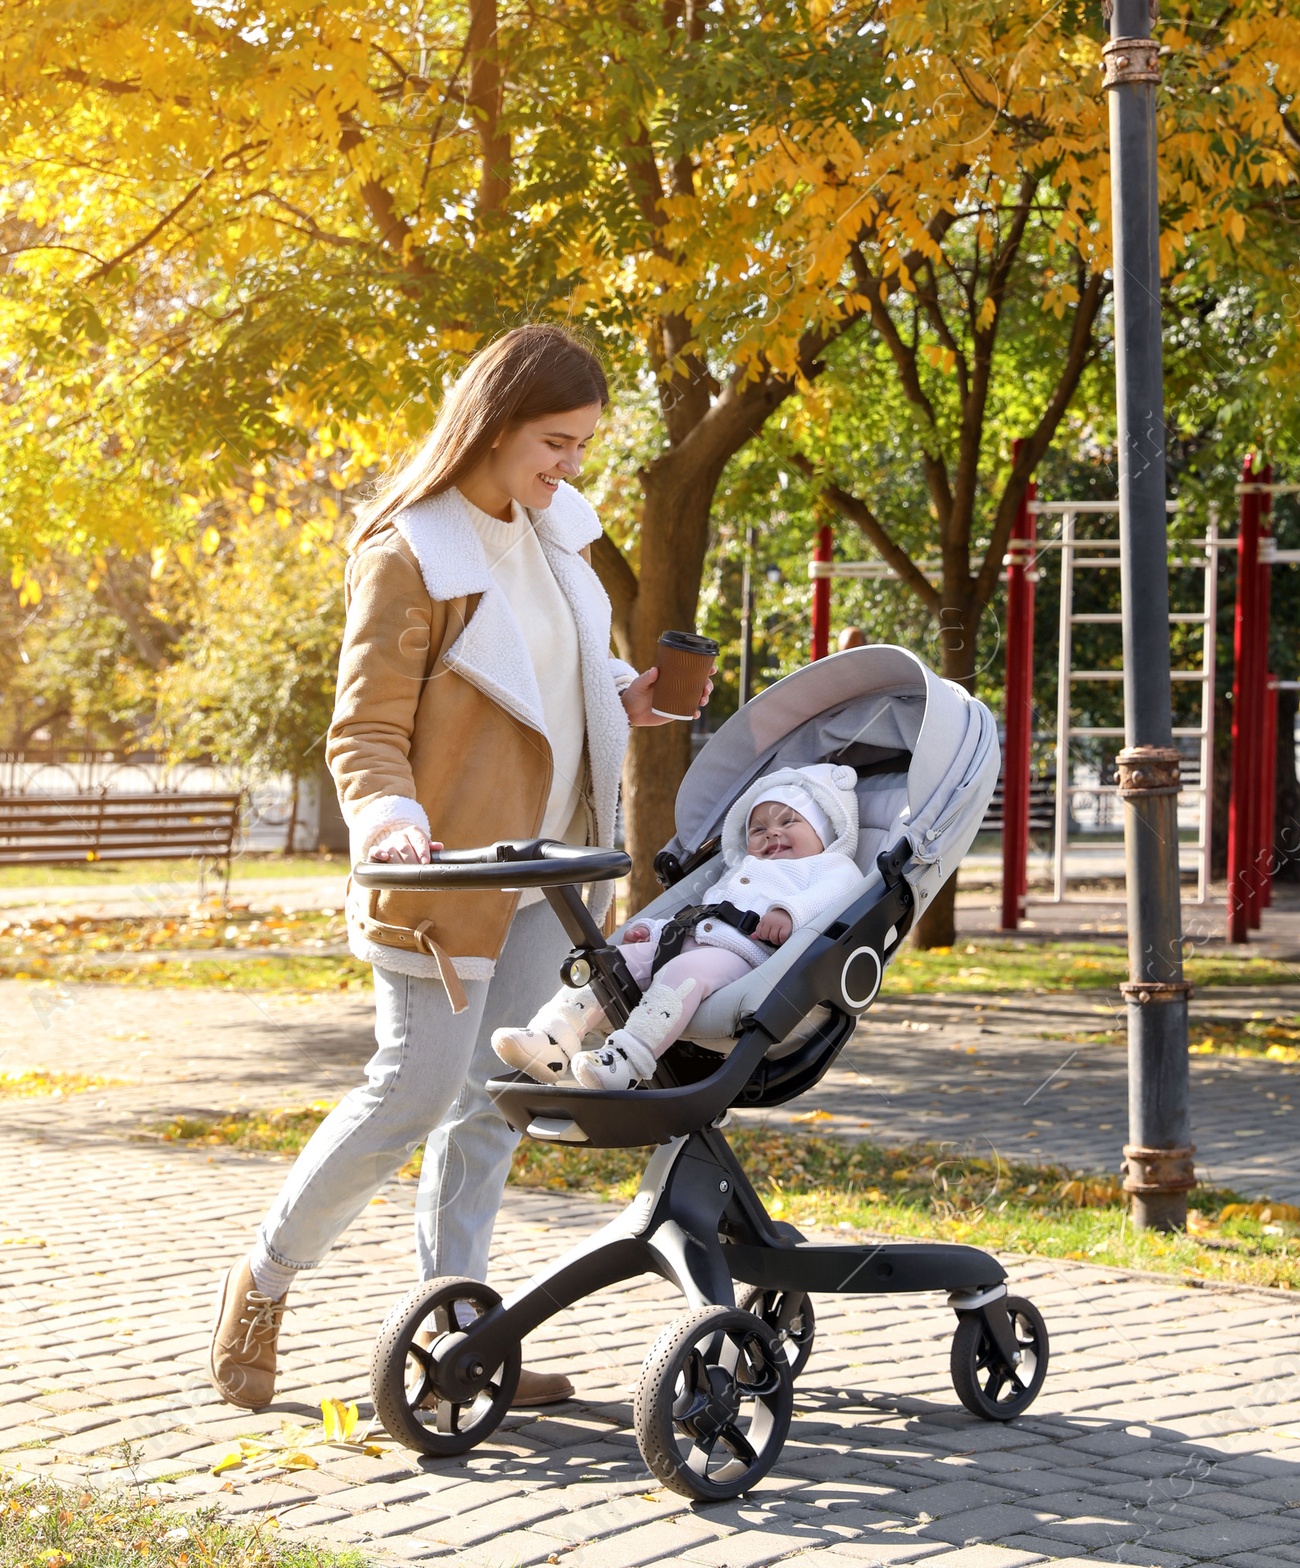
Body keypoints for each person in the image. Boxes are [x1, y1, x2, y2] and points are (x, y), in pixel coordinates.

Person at [208, 324, 704, 1411]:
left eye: (580, 447)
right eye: (556, 442)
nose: (570, 467)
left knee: (495, 1102)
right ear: (495, 423)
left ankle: (460, 1339)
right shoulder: (410, 552)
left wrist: (626, 693)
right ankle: (265, 1276)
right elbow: (363, 731)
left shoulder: (553, 534)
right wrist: (387, 817)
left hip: (552, 872)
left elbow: (553, 674)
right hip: (446, 876)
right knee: (413, 1091)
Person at [492, 762, 863, 1091]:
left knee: (686, 972)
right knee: (612, 961)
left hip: (744, 956)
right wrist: (654, 932)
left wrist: (789, 913)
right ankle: (552, 1037)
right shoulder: (740, 870)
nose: (771, 833)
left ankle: (627, 1059)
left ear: (825, 833)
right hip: (687, 937)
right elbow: (704, 909)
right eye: (758, 828)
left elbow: (836, 897)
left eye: (789, 821)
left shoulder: (831, 867)